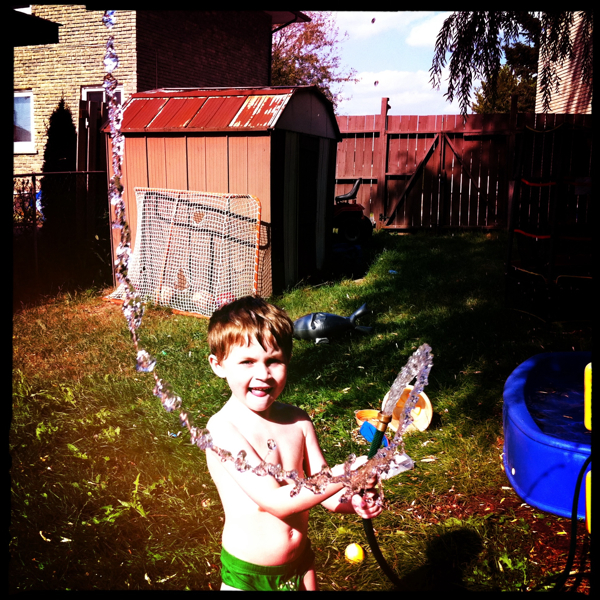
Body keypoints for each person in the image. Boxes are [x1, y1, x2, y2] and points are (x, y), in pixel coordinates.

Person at [205, 295, 382, 591]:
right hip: (249, 576)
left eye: (273, 361)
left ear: (287, 360)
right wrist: (344, 474)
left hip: (300, 563)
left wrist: (353, 499)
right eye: (247, 362)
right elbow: (276, 503)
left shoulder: (298, 421)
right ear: (218, 365)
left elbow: (324, 492)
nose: (263, 374)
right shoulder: (223, 429)